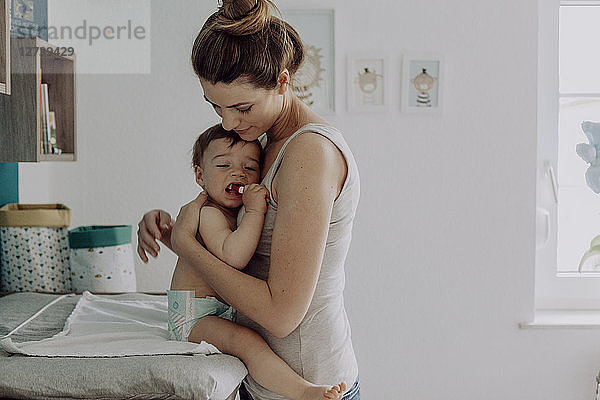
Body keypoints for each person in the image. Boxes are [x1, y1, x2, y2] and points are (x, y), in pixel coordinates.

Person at [137, 0, 361, 399]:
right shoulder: (258, 141)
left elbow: (281, 315)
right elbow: (242, 253)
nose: (229, 123)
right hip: (254, 381)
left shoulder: (309, 153)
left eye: (242, 107)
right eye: (216, 107)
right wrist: (174, 234)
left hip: (310, 383)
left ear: (282, 81)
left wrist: (188, 248)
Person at [167, 124, 346, 400]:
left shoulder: (226, 213)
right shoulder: (209, 214)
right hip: (192, 316)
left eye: (250, 168)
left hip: (208, 310)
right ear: (200, 175)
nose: (237, 172)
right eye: (224, 164)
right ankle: (303, 390)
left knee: (247, 345)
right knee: (248, 344)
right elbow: (234, 256)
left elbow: (198, 253)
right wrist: (255, 209)